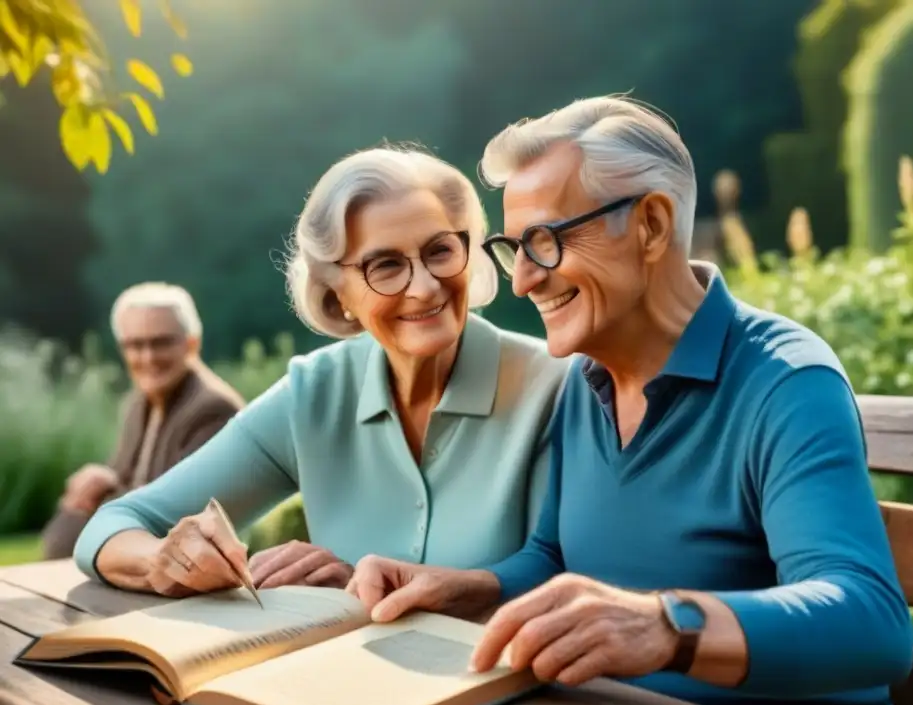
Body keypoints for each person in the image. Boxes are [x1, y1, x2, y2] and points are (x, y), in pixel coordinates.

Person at [344, 97, 913, 705]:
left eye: (546, 241)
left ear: (649, 225)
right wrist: (462, 588)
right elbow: (554, 557)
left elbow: (871, 623)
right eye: (512, 248)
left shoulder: (786, 383)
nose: (524, 279)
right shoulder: (585, 385)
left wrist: (667, 625)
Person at [72, 146, 569, 598]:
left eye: (440, 251)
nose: (425, 286)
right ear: (338, 296)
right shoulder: (313, 393)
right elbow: (113, 524)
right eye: (386, 265)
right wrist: (166, 559)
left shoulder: (552, 387)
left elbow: (565, 575)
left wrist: (357, 588)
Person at [42, 283, 244, 560]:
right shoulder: (137, 403)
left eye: (160, 342)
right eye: (135, 345)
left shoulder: (212, 410)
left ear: (191, 343)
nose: (148, 357)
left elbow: (174, 515)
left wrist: (106, 488)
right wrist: (95, 487)